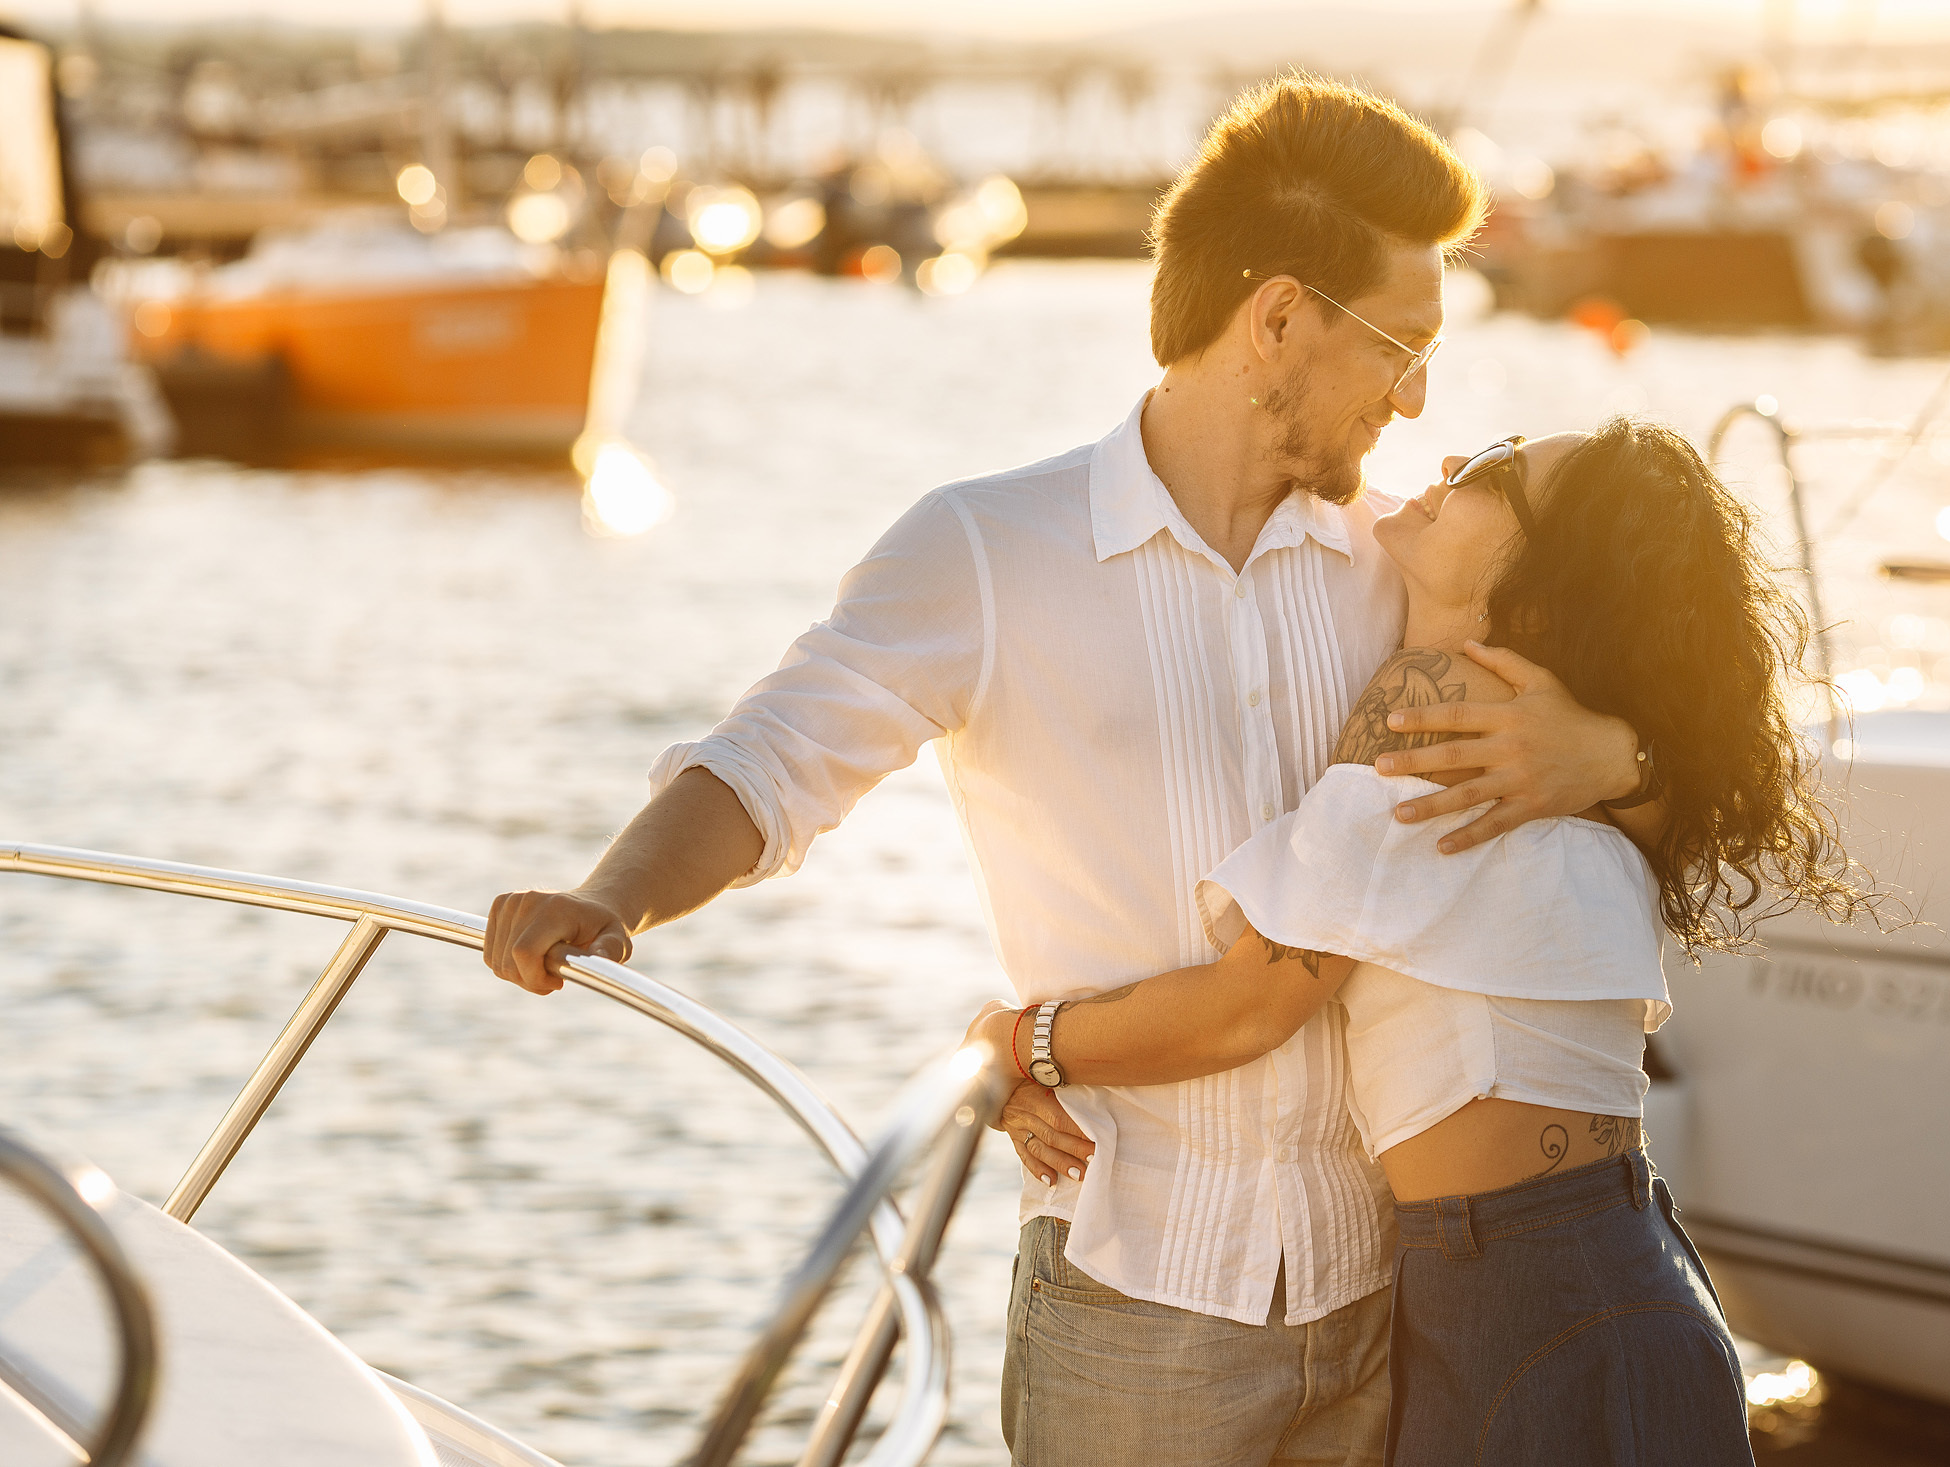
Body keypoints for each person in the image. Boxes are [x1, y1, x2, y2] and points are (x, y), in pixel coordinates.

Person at [484, 78, 1666, 1467]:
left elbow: (1649, 763)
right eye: (1402, 346)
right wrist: (615, 891)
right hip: (1135, 1304)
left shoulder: (1396, 567)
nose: (1418, 398)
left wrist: (1617, 753)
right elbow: (773, 755)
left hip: (1382, 1298)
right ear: (1276, 318)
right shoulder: (986, 548)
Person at [968, 422, 1870, 1466]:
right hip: (1574, 1271)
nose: (1447, 462)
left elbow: (1251, 1006)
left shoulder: (1436, 702)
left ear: (1533, 590)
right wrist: (1625, 753)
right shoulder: (1564, 735)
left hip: (1529, 1285)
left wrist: (1013, 1039)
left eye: (1490, 473)